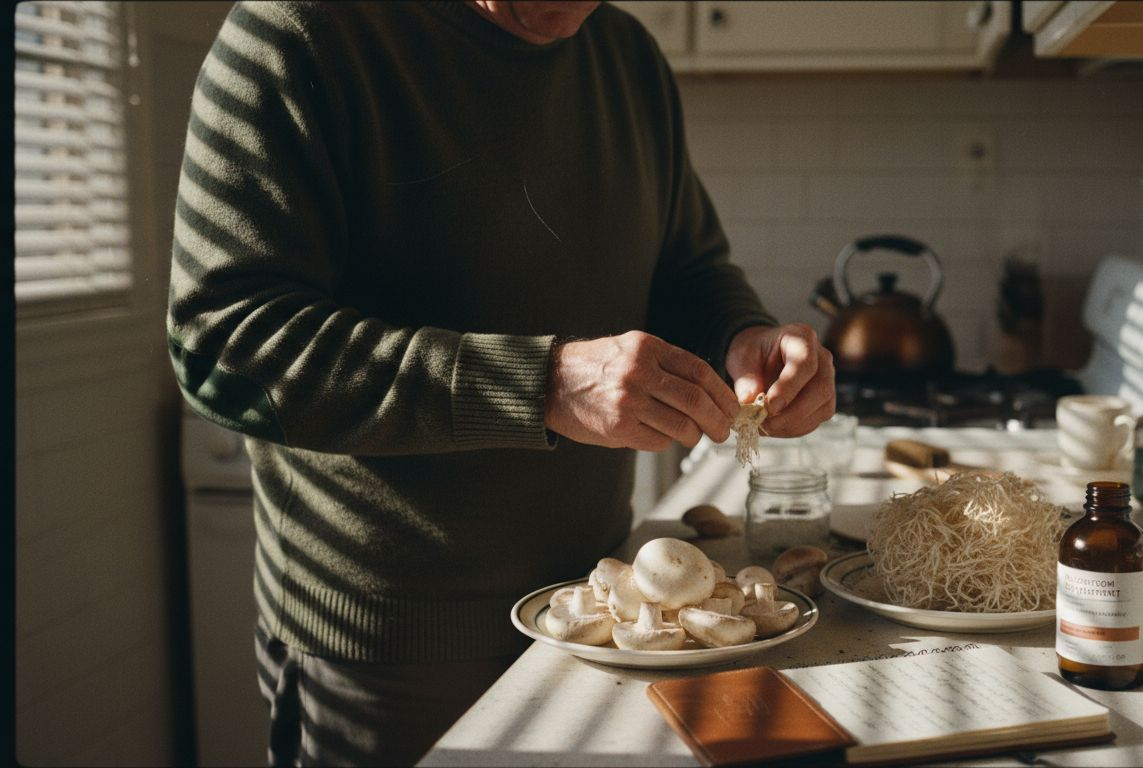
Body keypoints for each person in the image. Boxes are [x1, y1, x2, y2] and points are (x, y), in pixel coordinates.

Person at [167, 1, 836, 764]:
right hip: (390, 649)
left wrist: (742, 337)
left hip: (605, 610)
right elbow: (219, 345)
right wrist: (538, 384)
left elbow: (688, 268)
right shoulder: (296, 34)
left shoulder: (627, 56)